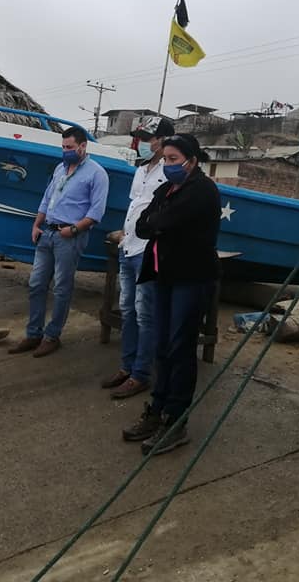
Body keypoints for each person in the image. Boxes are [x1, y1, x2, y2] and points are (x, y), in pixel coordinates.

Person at [121, 134, 220, 455]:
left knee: (180, 347)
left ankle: (176, 421)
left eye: (173, 159)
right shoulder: (166, 190)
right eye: (165, 159)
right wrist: (159, 223)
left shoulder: (203, 190)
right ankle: (158, 408)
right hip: (163, 275)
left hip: (191, 279)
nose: (167, 164)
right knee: (162, 346)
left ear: (192, 160)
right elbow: (143, 226)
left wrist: (159, 223)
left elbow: (164, 220)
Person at [8, 126, 109, 358]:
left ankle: (52, 336)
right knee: (36, 284)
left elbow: (97, 212)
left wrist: (73, 229)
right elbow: (47, 199)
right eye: (63, 147)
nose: (65, 151)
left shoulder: (97, 173)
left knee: (62, 287)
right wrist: (37, 224)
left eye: (70, 147)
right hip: (48, 232)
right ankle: (33, 333)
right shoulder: (59, 168)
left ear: (83, 146)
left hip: (70, 236)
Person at [101, 116, 175, 399]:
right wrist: (124, 234)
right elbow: (136, 205)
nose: (143, 143)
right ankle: (127, 365)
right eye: (141, 137)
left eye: (148, 138)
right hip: (129, 248)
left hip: (148, 251)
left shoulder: (170, 171)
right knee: (128, 310)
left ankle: (141, 373)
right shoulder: (141, 170)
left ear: (164, 140)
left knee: (145, 314)